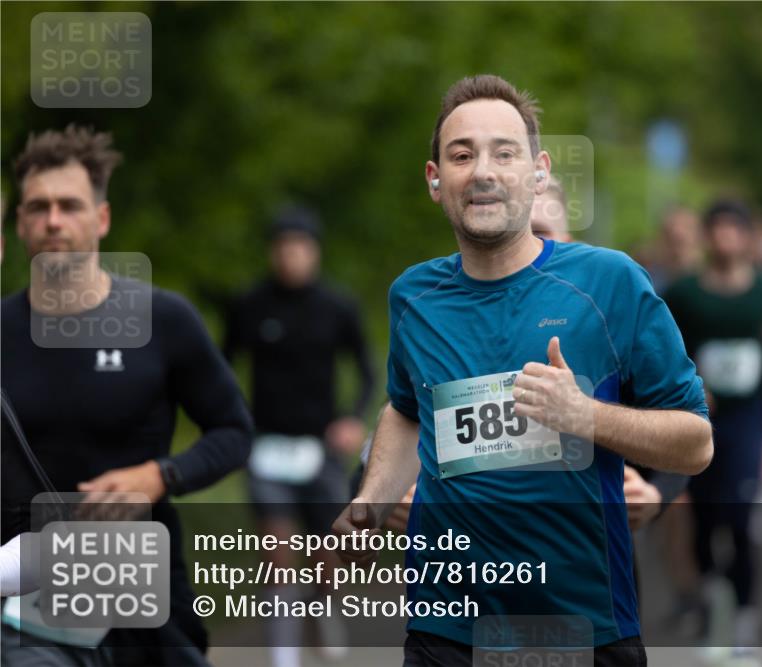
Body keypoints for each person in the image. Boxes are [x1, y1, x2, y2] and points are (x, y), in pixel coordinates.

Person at [332, 74, 713, 667]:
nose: (482, 171)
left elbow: (695, 443)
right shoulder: (413, 296)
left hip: (580, 627)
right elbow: (408, 410)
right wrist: (371, 503)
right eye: (461, 155)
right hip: (445, 628)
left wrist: (584, 415)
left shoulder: (609, 284)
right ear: (435, 180)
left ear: (537, 172)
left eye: (503, 153)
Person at [1, 125, 253, 664]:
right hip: (26, 600)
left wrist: (159, 476)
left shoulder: (162, 319)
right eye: (37, 207)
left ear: (102, 217)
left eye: (69, 205)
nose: (52, 222)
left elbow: (235, 431)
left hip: (144, 591)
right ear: (20, 223)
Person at [222, 204, 375, 667]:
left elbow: (368, 371)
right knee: (277, 551)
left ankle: (323, 608)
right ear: (273, 252)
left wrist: (352, 418)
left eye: (300, 247)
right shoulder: (250, 306)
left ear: (314, 252)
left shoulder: (337, 306)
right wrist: (237, 423)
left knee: (328, 553)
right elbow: (220, 371)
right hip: (266, 446)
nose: (291, 256)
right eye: (283, 247)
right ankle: (283, 654)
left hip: (321, 448)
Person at [663, 199, 762, 664]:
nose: (724, 239)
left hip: (749, 415)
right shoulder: (685, 294)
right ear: (707, 237)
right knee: (703, 519)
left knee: (740, 517)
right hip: (700, 418)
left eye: (732, 230)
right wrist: (691, 384)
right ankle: (710, 600)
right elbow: (667, 347)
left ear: (746, 237)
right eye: (716, 230)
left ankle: (745, 617)